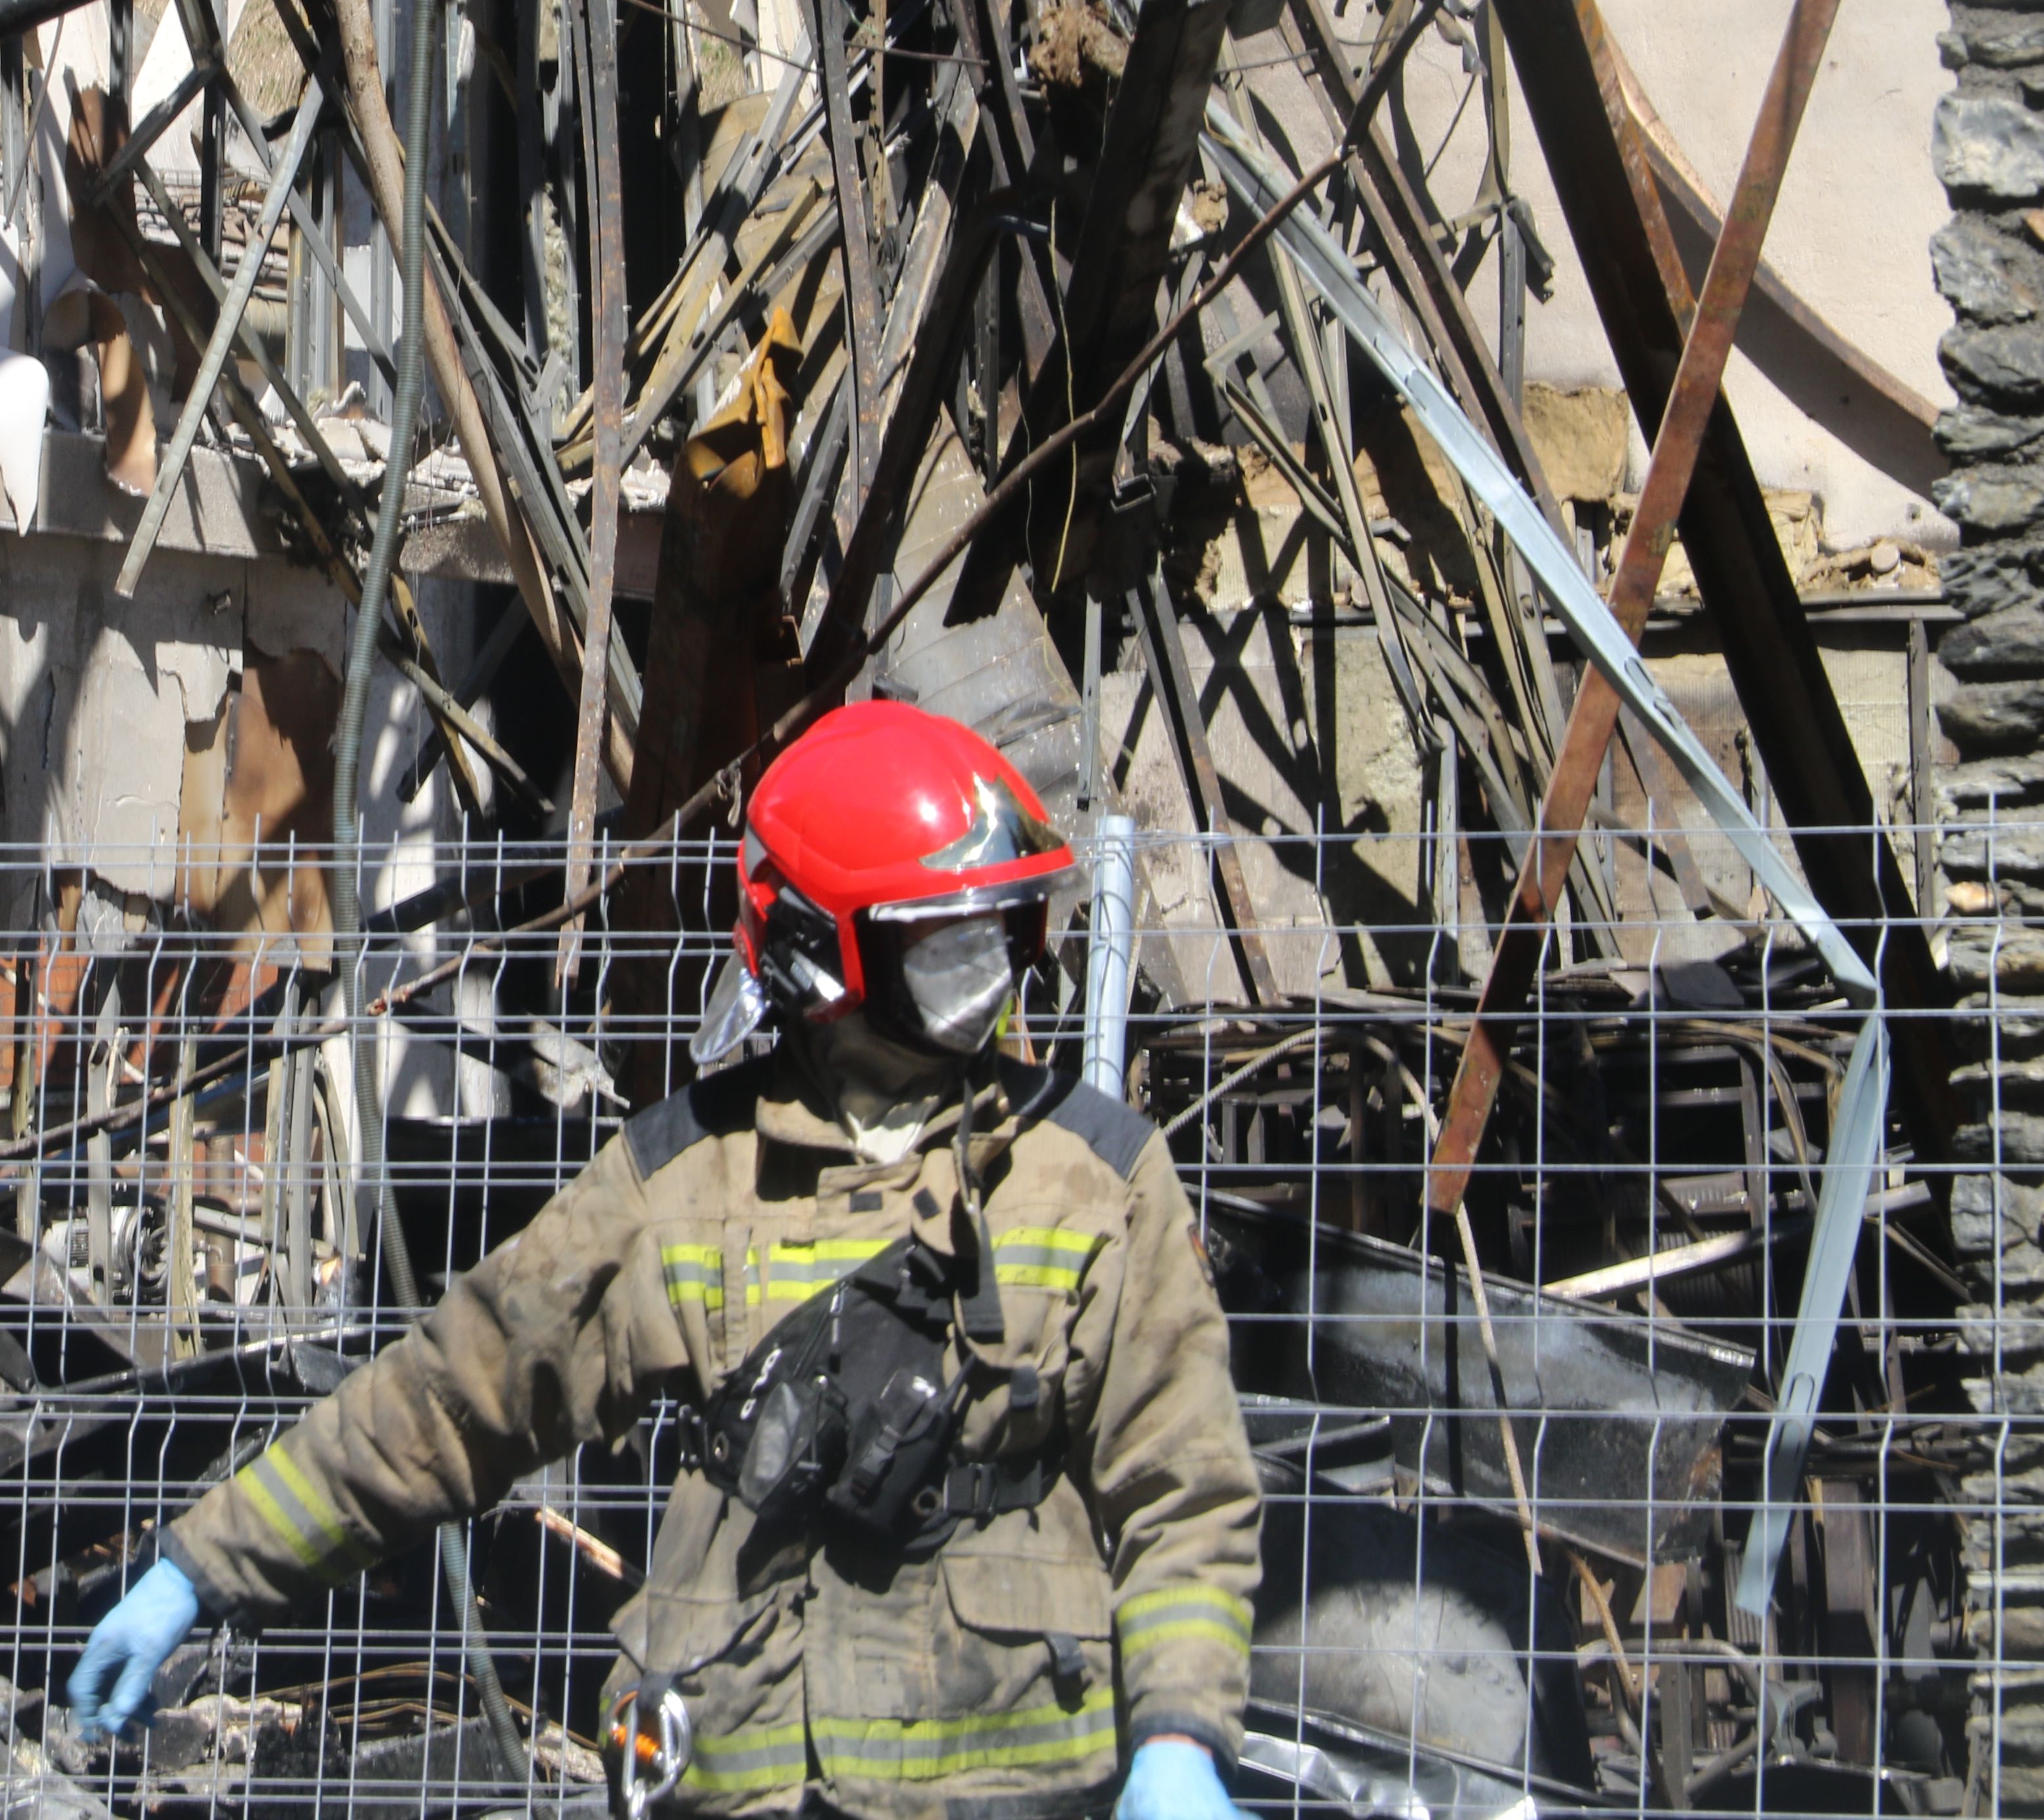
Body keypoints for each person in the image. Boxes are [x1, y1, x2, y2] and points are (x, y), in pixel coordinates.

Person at [65, 701, 1262, 1820]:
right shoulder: (683, 1180)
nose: (988, 969)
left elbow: (1188, 1491)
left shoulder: (1091, 1175)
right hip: (739, 1779)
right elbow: (451, 1397)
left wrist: (1178, 1741)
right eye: (945, 940)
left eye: (998, 932)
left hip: (1009, 1788)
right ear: (820, 957)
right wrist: (201, 1565)